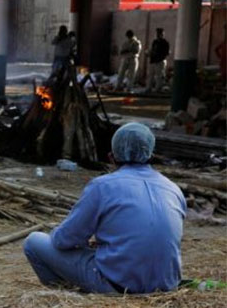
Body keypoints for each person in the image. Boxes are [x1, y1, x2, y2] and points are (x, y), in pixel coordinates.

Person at [23, 123, 185, 294]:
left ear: (111, 157)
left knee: (34, 242)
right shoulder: (173, 188)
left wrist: (73, 239)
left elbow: (64, 240)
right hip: (166, 287)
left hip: (119, 286)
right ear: (151, 154)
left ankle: (67, 297)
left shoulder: (102, 186)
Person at [147, 28, 170, 93]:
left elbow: (166, 53)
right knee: (150, 75)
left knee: (159, 76)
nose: (158, 35)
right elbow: (152, 50)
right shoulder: (155, 42)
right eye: (157, 33)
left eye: (159, 33)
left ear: (162, 34)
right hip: (153, 60)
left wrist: (159, 55)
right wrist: (150, 53)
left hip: (160, 61)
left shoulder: (165, 43)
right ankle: (148, 88)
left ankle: (158, 89)